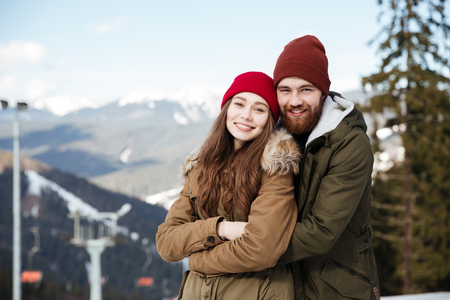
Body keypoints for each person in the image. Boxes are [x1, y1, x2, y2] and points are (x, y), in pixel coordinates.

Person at [188, 36, 381, 300]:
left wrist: (214, 257)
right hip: (274, 283)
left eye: (306, 90)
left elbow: (320, 232)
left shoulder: (349, 144)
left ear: (323, 92)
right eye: (285, 90)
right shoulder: (269, 136)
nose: (294, 100)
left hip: (334, 286)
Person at [156, 71, 302, 300]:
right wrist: (219, 230)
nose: (246, 116)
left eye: (259, 109)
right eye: (239, 104)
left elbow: (261, 249)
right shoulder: (200, 166)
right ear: (226, 109)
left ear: (270, 119)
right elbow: (166, 242)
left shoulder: (275, 169)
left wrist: (197, 260)